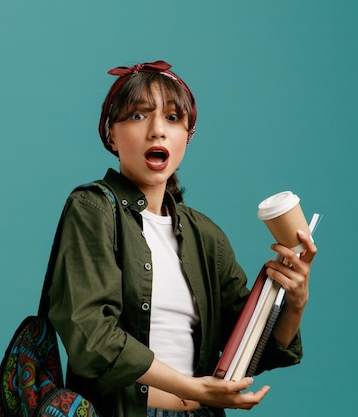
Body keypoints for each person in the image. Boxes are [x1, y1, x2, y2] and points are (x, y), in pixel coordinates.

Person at [46, 60, 318, 417]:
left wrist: (295, 299)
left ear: (187, 135)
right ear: (111, 133)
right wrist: (193, 387)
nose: (158, 131)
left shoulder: (204, 234)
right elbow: (90, 336)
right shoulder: (92, 209)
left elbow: (252, 352)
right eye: (139, 116)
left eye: (173, 119)